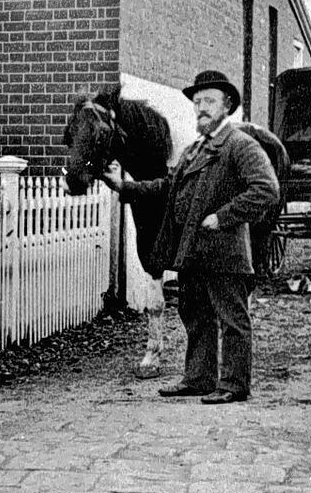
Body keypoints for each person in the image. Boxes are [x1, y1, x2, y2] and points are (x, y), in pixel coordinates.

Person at [100, 70, 278, 404]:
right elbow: (167, 187)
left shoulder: (240, 145)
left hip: (225, 250)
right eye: (197, 102)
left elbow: (266, 190)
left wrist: (224, 217)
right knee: (195, 316)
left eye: (209, 101)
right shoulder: (195, 150)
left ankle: (235, 385)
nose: (201, 108)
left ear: (227, 106)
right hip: (193, 251)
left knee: (232, 318)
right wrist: (123, 187)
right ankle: (198, 378)